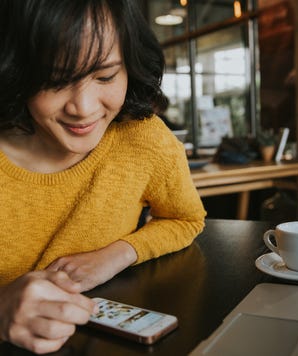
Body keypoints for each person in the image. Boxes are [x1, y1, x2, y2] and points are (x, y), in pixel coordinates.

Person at [0, 0, 206, 354]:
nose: (83, 107)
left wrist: (117, 254)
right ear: (19, 73)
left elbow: (185, 218)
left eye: (106, 76)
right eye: (55, 80)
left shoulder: (145, 139)